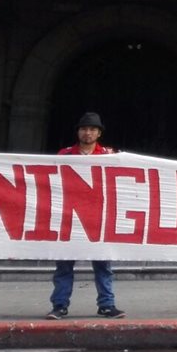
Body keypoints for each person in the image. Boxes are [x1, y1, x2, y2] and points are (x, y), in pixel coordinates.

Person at [47, 112, 126, 319]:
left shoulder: (110, 156)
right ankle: (60, 305)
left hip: (98, 217)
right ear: (78, 132)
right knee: (64, 264)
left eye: (92, 129)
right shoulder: (64, 155)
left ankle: (107, 304)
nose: (87, 133)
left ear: (99, 133)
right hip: (69, 217)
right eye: (84, 129)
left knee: (103, 265)